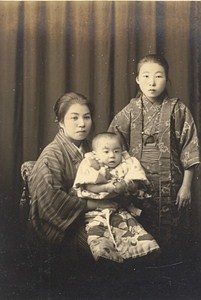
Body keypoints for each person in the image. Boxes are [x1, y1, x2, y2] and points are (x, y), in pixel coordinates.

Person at [108, 54, 200, 262]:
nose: (152, 82)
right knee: (139, 239)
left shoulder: (178, 110)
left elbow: (190, 148)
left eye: (158, 76)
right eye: (146, 76)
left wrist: (186, 187)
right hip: (138, 186)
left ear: (167, 79)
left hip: (172, 186)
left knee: (172, 243)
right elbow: (111, 145)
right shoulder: (129, 112)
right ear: (137, 79)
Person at [28, 92, 120, 270]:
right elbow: (49, 200)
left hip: (97, 215)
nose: (82, 124)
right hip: (66, 224)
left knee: (132, 243)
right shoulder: (51, 156)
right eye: (74, 118)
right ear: (61, 122)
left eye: (86, 117)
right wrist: (92, 204)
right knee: (107, 256)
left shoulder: (91, 147)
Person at [72, 132, 160, 263]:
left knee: (132, 231)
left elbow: (136, 180)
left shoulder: (127, 163)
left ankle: (142, 252)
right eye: (106, 152)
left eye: (116, 151)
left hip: (121, 209)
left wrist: (126, 185)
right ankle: (106, 257)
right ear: (95, 153)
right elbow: (87, 187)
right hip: (95, 211)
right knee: (98, 233)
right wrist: (105, 188)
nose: (112, 155)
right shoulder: (90, 164)